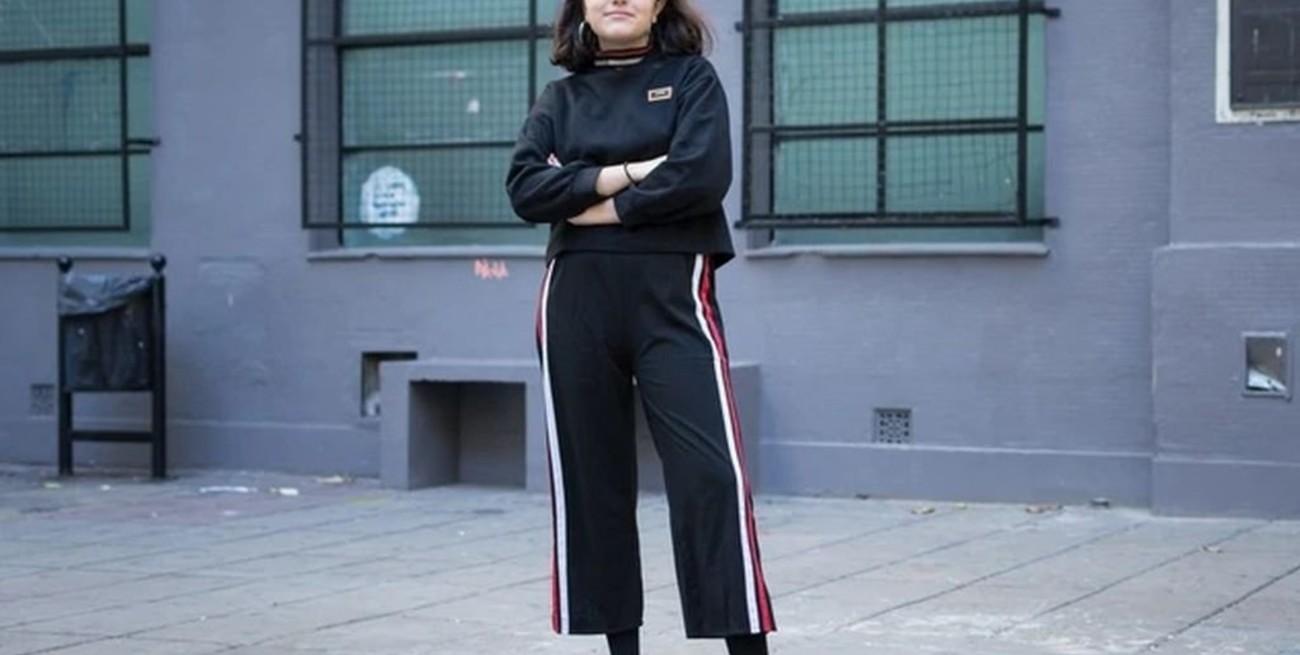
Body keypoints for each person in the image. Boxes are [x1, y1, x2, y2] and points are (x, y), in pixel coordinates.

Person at [506, 1, 775, 654]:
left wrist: (591, 201)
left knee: (711, 477)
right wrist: (630, 174)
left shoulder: (691, 80)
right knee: (591, 486)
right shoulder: (559, 99)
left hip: (673, 298)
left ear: (659, 6)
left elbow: (700, 175)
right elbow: (526, 189)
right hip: (576, 300)